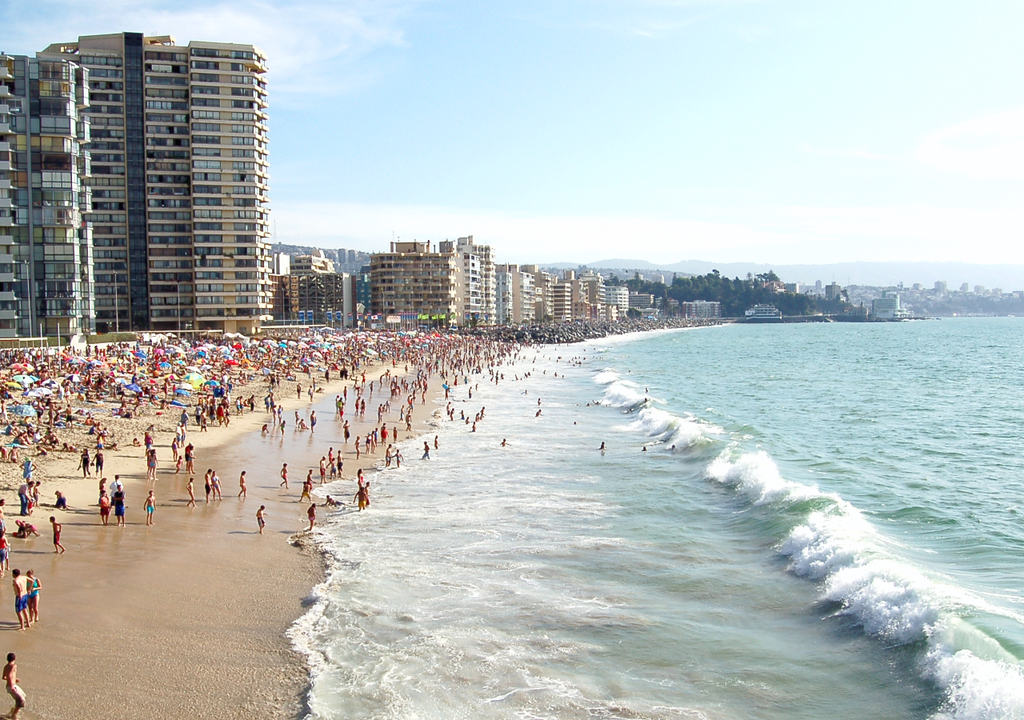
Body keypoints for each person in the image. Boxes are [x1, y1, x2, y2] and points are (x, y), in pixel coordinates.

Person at [3, 652, 25, 719]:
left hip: (9, 686)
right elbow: (9, 675)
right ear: (15, 658)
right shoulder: (13, 666)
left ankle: (13, 711)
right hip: (12, 686)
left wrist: (14, 680)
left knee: (23, 696)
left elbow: (4, 677)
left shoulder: (6, 666)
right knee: (21, 700)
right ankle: (14, 715)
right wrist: (12, 684)